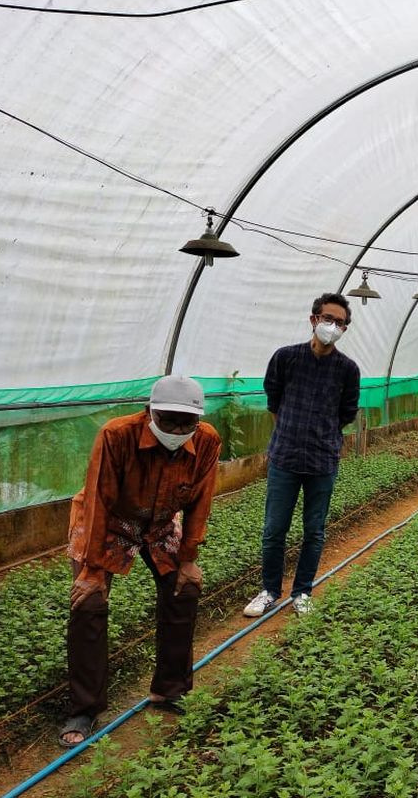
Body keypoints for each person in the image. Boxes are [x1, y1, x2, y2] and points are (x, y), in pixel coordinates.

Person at [60, 375, 221, 747]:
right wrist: (92, 568)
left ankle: (170, 689)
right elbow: (99, 498)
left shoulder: (207, 440)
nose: (178, 430)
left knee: (184, 590)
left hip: (162, 522)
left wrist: (188, 559)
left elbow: (201, 501)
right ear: (150, 412)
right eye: (168, 420)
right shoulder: (117, 435)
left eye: (187, 422)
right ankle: (84, 708)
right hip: (109, 520)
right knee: (89, 603)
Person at [243, 292, 361, 618]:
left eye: (340, 323)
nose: (332, 326)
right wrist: (292, 433)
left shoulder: (347, 370)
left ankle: (302, 592)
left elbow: (346, 413)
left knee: (314, 530)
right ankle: (269, 590)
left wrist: (321, 435)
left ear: (344, 329)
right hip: (285, 459)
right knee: (274, 529)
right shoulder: (285, 358)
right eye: (328, 319)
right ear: (313, 320)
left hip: (322, 462)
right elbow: (274, 400)